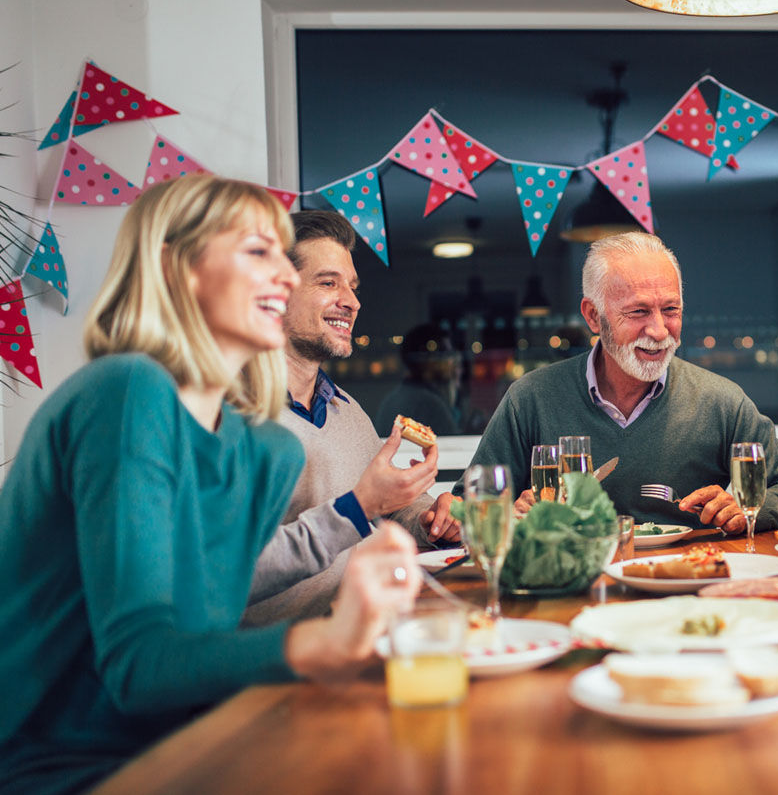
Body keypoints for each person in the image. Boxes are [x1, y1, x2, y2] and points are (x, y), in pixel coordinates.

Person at [0, 177, 422, 795]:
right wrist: (324, 641)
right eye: (258, 251)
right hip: (73, 767)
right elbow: (139, 668)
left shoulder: (263, 450)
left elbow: (207, 638)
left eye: (284, 254)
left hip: (203, 733)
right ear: (179, 268)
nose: (283, 273)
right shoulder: (126, 393)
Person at [450, 231, 778, 533]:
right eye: (638, 311)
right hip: (573, 584)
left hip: (684, 583)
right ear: (594, 316)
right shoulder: (531, 398)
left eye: (670, 310)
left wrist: (747, 507)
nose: (659, 331)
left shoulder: (720, 401)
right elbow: (469, 507)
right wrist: (510, 514)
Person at [243, 211, 459, 626]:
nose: (353, 301)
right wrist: (359, 507)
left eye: (353, 286)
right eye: (328, 282)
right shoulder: (229, 415)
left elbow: (386, 506)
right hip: (274, 663)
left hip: (362, 634)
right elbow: (227, 574)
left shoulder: (346, 410)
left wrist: (430, 520)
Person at [373, 323, 462, 437]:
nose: (451, 362)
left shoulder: (394, 398)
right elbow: (453, 447)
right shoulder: (429, 404)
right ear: (428, 359)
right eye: (446, 354)